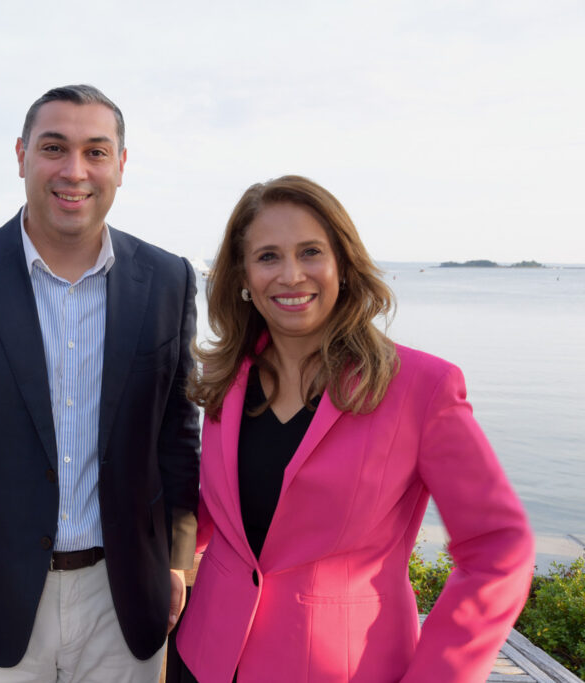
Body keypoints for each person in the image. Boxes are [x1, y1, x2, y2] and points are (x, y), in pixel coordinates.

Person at [0, 84, 201, 682]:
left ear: (120, 165)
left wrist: (178, 561)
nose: (74, 171)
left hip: (124, 599)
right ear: (21, 156)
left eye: (95, 152)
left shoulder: (168, 280)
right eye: (54, 148)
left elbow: (178, 435)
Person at [175, 175, 535, 682]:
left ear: (343, 265)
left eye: (310, 252)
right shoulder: (226, 380)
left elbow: (499, 549)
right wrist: (160, 558)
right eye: (268, 256)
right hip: (205, 657)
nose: (291, 275)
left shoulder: (422, 387)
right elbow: (220, 509)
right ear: (243, 276)